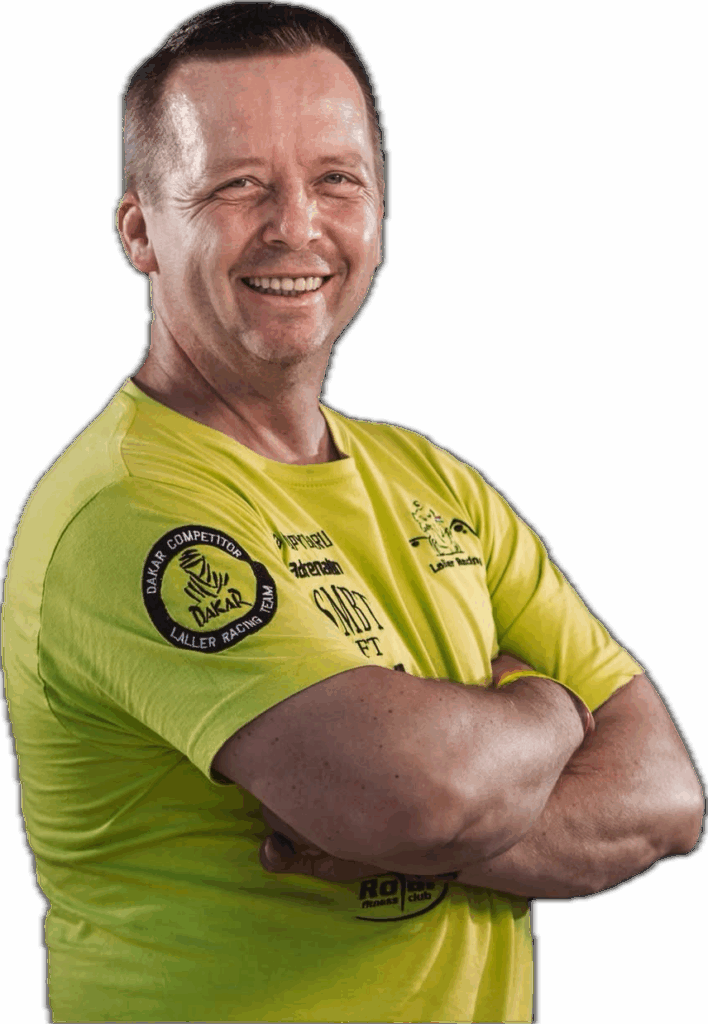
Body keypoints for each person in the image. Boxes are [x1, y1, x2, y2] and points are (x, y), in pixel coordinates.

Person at [1, 4, 703, 1023]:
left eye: (337, 179)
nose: (297, 226)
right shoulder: (127, 507)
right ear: (141, 230)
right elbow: (415, 801)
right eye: (238, 185)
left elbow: (667, 796)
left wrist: (426, 828)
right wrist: (551, 708)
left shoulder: (435, 482)